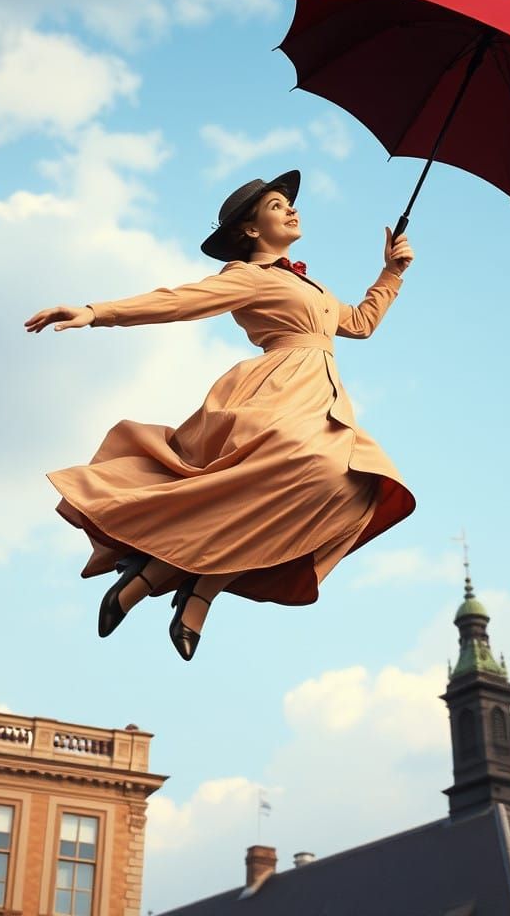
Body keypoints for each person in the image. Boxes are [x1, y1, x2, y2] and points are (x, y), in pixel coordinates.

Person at [24, 170, 416, 660]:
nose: (292, 209)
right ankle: (172, 582)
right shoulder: (248, 276)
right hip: (278, 392)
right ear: (251, 229)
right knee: (307, 467)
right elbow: (179, 302)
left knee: (353, 492)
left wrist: (391, 272)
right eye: (277, 206)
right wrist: (96, 312)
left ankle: (179, 583)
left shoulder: (310, 285)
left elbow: (358, 323)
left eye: (288, 204)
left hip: (322, 399)